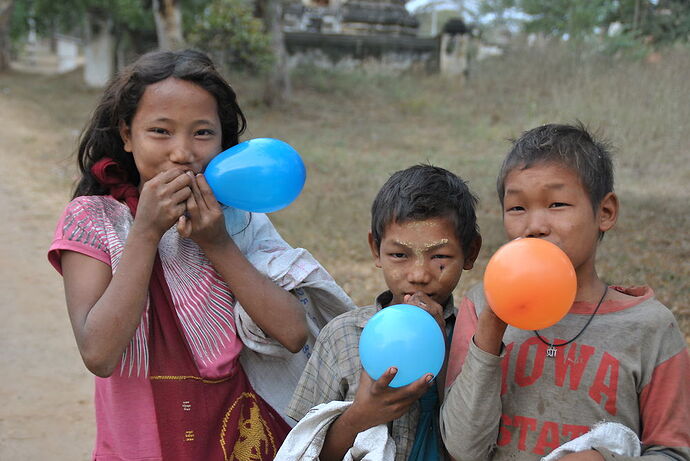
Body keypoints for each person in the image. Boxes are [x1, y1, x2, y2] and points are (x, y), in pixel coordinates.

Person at [47, 49, 354, 461]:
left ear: (224, 144)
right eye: (160, 131)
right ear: (126, 134)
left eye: (202, 133)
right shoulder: (93, 220)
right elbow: (99, 354)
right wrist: (146, 232)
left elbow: (293, 332)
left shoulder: (239, 219)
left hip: (238, 437)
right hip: (138, 446)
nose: (182, 152)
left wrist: (217, 243)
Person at [440, 123, 690, 460]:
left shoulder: (650, 328)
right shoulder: (481, 306)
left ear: (605, 212)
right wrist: (492, 328)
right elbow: (462, 449)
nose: (535, 226)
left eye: (556, 204)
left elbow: (673, 452)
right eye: (517, 208)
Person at [283, 164, 482, 460]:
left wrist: (443, 353)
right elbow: (304, 449)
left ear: (471, 253)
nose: (418, 275)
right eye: (399, 255)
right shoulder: (343, 336)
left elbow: (473, 443)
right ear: (375, 249)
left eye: (439, 256)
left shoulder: (477, 341)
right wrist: (360, 415)